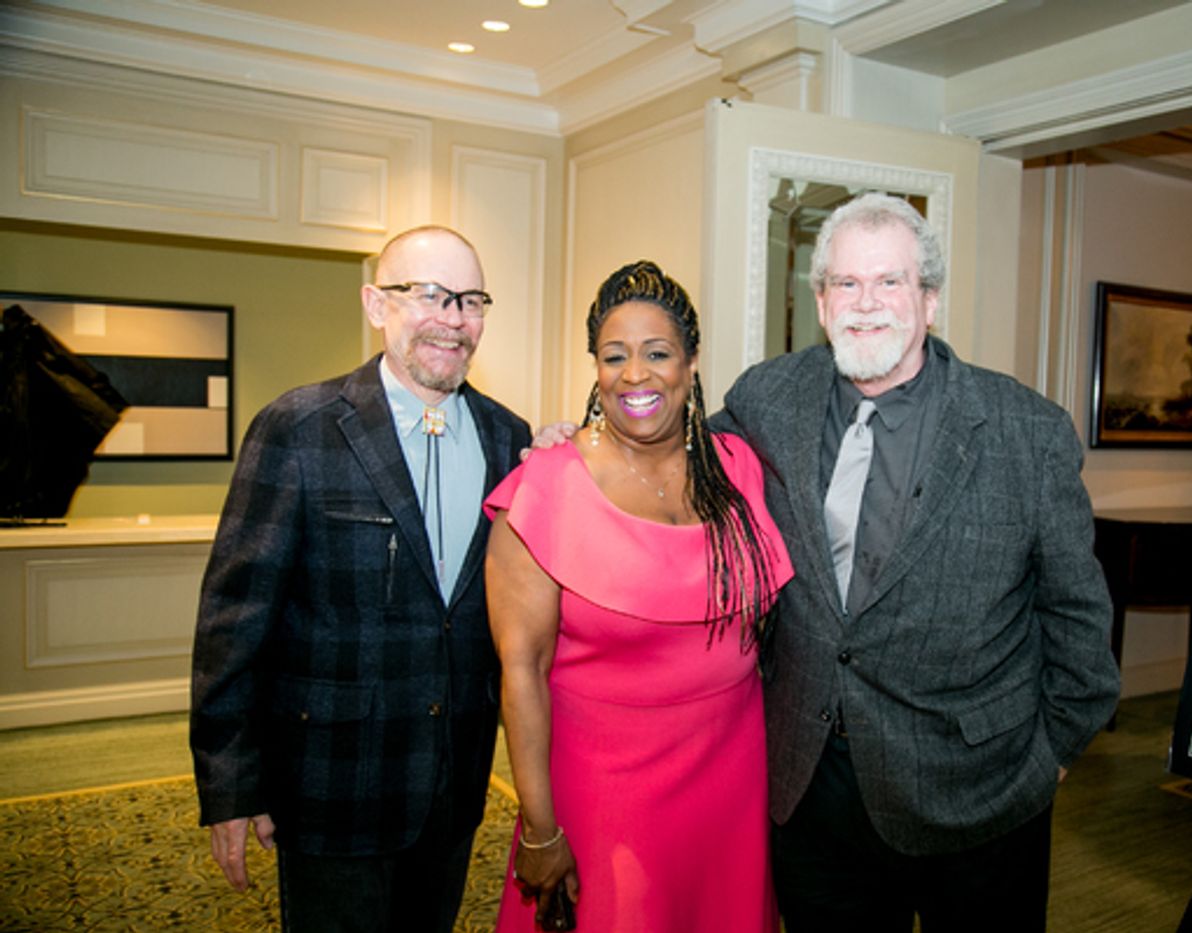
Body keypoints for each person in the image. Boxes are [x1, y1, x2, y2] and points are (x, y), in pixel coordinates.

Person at [711, 192, 1120, 931]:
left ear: (929, 299)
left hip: (980, 800)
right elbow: (673, 465)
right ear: (821, 298)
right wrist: (576, 444)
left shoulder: (1026, 431)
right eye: (846, 283)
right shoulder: (767, 397)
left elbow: (1079, 617)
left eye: (890, 282)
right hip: (815, 792)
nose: (867, 304)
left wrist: (1047, 761)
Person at [189, 225, 531, 933]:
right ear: (377, 305)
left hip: (453, 784)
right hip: (332, 783)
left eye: (470, 300)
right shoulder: (300, 427)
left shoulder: (509, 437)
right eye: (429, 294)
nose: (453, 318)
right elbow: (234, 617)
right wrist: (229, 784)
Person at [486, 260, 794, 932]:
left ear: (691, 363)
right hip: (605, 792)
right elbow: (522, 671)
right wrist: (539, 827)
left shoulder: (738, 468)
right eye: (614, 355)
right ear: (594, 366)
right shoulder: (546, 486)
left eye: (657, 353)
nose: (635, 375)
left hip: (731, 777)